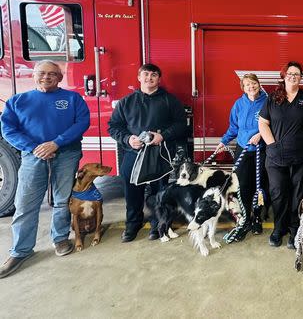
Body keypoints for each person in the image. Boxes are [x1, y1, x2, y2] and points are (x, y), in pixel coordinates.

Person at [0, 60, 90, 279]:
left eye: (52, 74)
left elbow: (82, 123)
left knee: (61, 200)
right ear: (33, 75)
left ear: (59, 78)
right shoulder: (18, 101)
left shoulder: (72, 99)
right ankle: (20, 251)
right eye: (42, 73)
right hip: (33, 157)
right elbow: (8, 129)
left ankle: (60, 239)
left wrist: (56, 143)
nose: (47, 77)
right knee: (25, 203)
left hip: (66, 154)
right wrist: (34, 148)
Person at [108, 63, 187, 243]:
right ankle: (132, 224)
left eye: (153, 75)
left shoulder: (170, 101)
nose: (149, 78)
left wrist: (163, 135)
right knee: (132, 189)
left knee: (159, 191)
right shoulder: (126, 102)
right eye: (146, 75)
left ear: (159, 79)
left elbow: (182, 125)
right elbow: (113, 127)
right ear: (139, 78)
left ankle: (157, 224)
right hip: (133, 153)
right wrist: (128, 139)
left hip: (160, 153)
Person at [258, 61, 303, 249]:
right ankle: (279, 229)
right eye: (290, 73)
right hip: (275, 159)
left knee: (298, 196)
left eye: (297, 74)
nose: (293, 76)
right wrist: (271, 144)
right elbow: (263, 123)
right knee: (278, 194)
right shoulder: (273, 98)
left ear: (301, 77)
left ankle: (295, 230)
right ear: (284, 75)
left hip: (302, 158)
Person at [216, 73, 268, 237]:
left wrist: (261, 133)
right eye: (247, 85)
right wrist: (223, 142)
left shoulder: (267, 102)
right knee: (243, 186)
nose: (251, 87)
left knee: (259, 186)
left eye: (253, 83)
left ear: (258, 84)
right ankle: (245, 219)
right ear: (243, 88)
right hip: (243, 151)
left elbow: (274, 124)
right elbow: (234, 127)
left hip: (262, 150)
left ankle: (257, 217)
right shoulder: (239, 104)